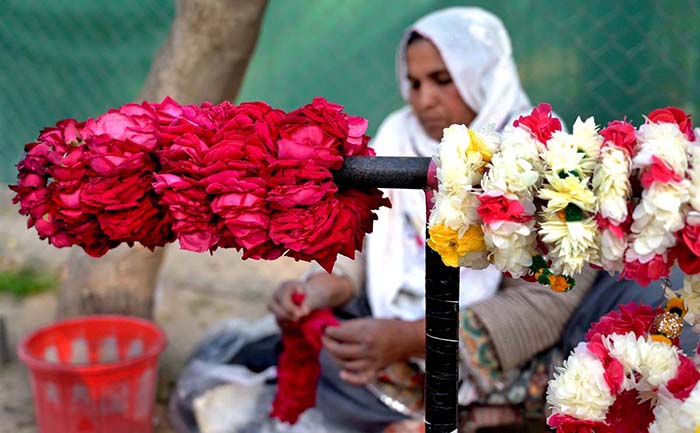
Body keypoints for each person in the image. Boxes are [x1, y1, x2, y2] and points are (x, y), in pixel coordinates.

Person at [170, 7, 599, 433]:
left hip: (495, 356)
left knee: (587, 363)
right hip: (389, 334)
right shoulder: (397, 138)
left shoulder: (545, 160)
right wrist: (321, 287)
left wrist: (412, 337)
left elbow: (547, 301)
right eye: (413, 83)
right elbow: (362, 239)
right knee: (316, 341)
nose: (422, 98)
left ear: (486, 76)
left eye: (441, 80)